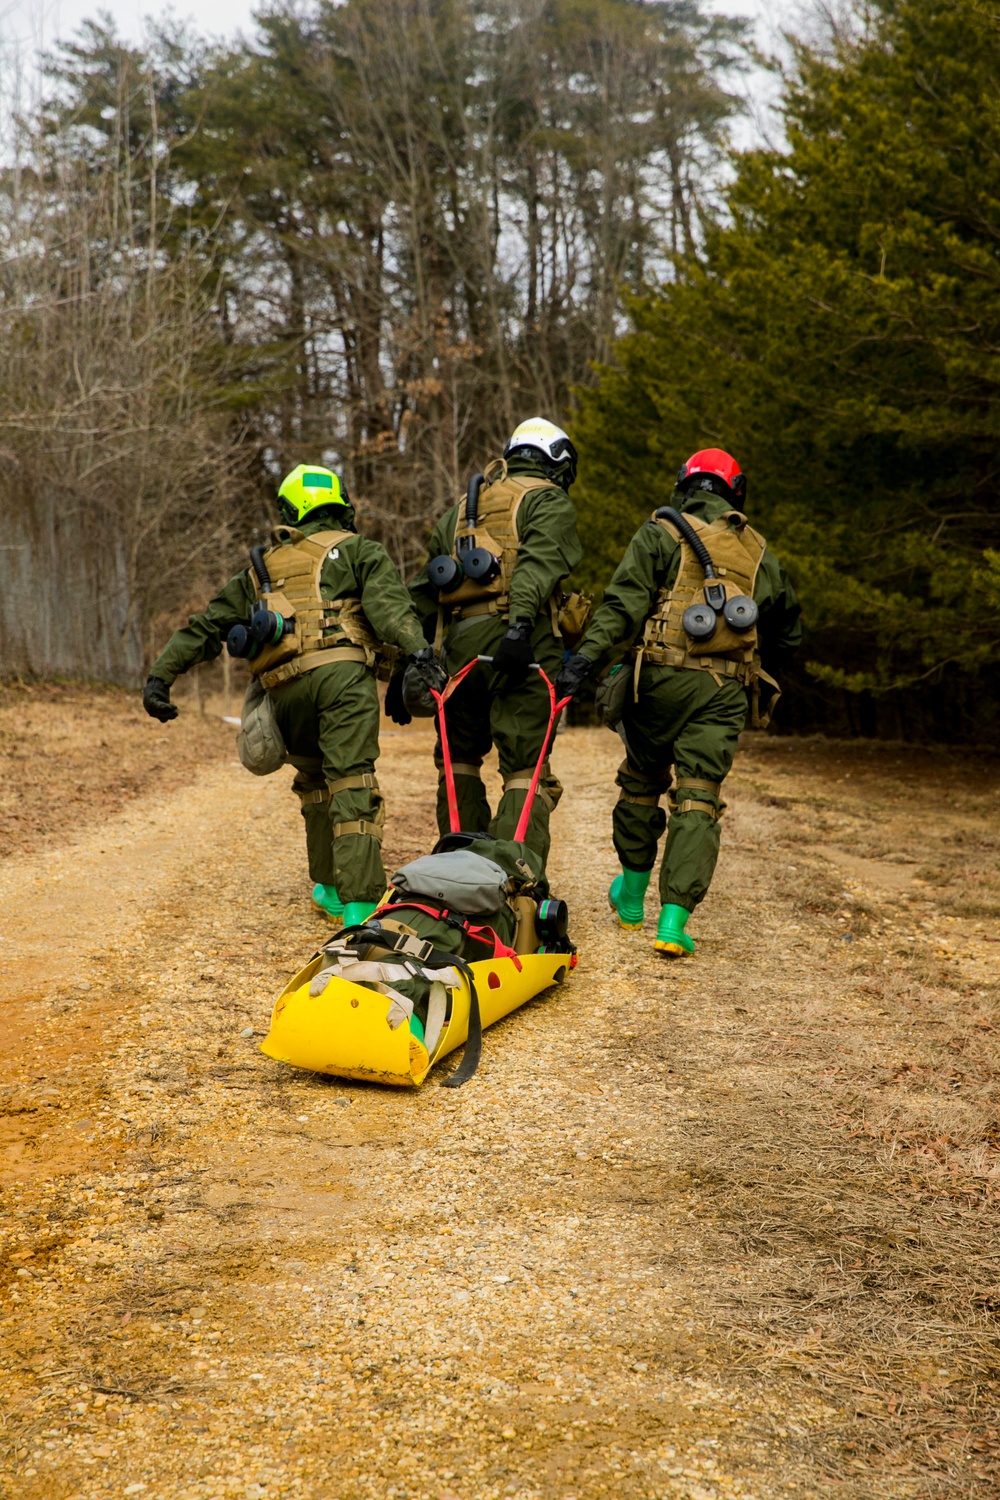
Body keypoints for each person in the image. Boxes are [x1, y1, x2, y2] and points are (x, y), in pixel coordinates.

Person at [142, 464, 440, 928]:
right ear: (341, 505)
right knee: (351, 783)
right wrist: (418, 650)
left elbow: (205, 627)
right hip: (341, 681)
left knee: (316, 783)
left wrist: (160, 677)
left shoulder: (260, 571)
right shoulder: (359, 550)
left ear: (289, 512)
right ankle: (361, 908)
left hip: (283, 692)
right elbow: (388, 607)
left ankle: (329, 888)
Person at [556, 448, 802, 956]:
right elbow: (789, 634)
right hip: (723, 691)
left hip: (658, 681)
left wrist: (583, 661)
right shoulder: (759, 552)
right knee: (698, 796)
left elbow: (623, 606)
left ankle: (630, 894)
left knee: (642, 781)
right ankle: (673, 923)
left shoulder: (661, 532)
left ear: (684, 487)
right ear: (736, 491)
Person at [403, 418, 583, 866]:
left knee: (458, 760)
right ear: (556, 459)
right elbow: (538, 567)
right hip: (521, 648)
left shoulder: (460, 511)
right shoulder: (547, 500)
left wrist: (406, 662)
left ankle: (460, 875)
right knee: (525, 768)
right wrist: (521, 626)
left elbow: (424, 595)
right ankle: (511, 882)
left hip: (459, 652)